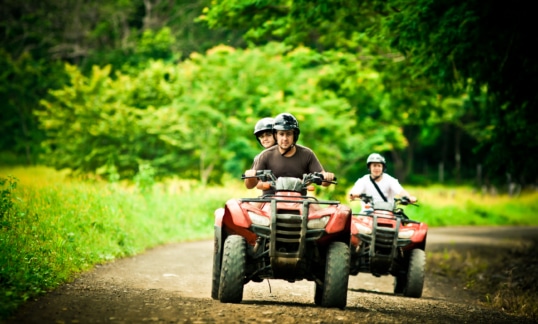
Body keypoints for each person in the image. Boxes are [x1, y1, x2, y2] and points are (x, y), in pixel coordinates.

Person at [244, 112, 334, 194]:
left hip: (301, 202)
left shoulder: (307, 154)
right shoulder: (265, 155)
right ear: (276, 135)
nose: (285, 138)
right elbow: (249, 185)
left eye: (289, 134)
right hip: (269, 200)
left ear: (295, 135)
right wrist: (251, 176)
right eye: (281, 134)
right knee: (247, 211)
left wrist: (327, 177)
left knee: (322, 211)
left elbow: (323, 181)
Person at [349, 153, 417, 205]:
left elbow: (400, 191)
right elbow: (353, 193)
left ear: (383, 168)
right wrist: (355, 195)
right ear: (369, 167)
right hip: (367, 213)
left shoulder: (390, 180)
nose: (377, 168)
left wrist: (409, 197)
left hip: (387, 213)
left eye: (379, 166)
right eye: (374, 165)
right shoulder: (363, 180)